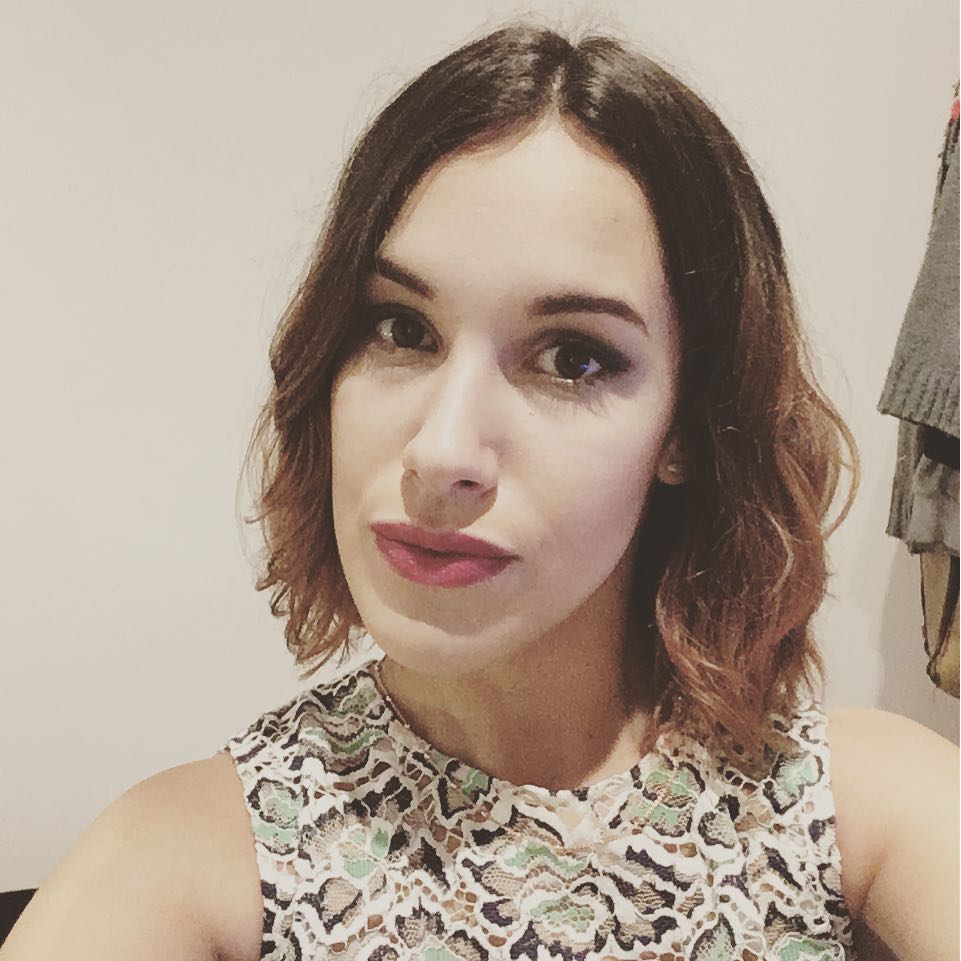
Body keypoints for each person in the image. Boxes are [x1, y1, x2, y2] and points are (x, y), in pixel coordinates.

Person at [4, 23, 957, 961]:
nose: (442, 450)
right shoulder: (190, 859)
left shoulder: (859, 803)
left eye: (572, 357)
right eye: (399, 328)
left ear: (688, 428)